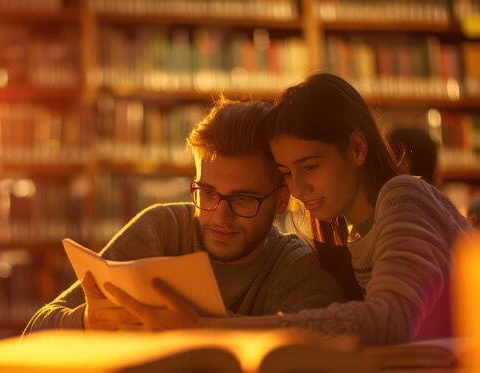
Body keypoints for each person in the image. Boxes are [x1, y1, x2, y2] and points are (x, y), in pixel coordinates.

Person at [102, 74, 471, 346]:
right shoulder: (347, 232)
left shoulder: (403, 196)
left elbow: (389, 319)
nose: (298, 188)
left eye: (310, 166)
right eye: (286, 173)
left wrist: (200, 327)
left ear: (357, 149)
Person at [23, 97, 343, 333]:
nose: (220, 216)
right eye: (207, 193)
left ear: (281, 200)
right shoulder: (162, 230)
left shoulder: (297, 266)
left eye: (243, 199)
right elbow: (32, 334)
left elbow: (320, 349)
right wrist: (85, 321)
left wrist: (199, 326)